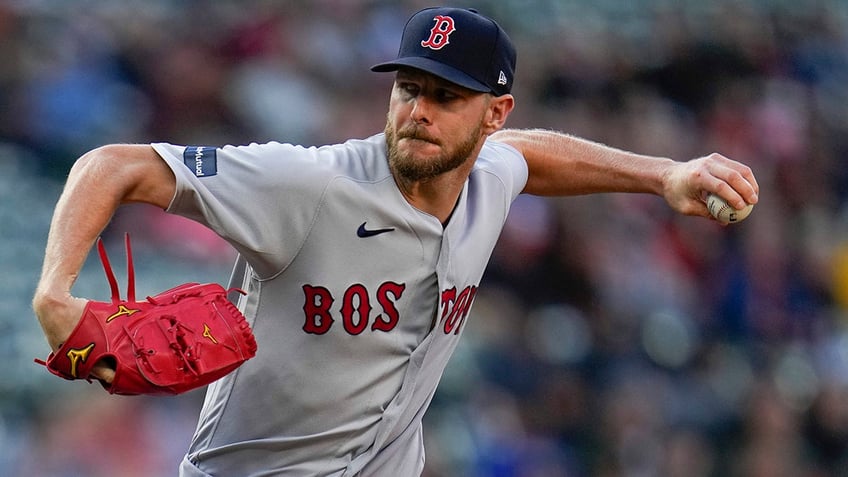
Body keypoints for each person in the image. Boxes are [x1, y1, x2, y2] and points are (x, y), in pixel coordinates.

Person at [32, 6, 758, 477]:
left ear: (494, 113)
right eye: (408, 87)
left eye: (446, 97)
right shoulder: (308, 184)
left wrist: (664, 173)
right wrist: (54, 292)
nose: (419, 111)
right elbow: (114, 165)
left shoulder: (489, 173)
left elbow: (531, 155)